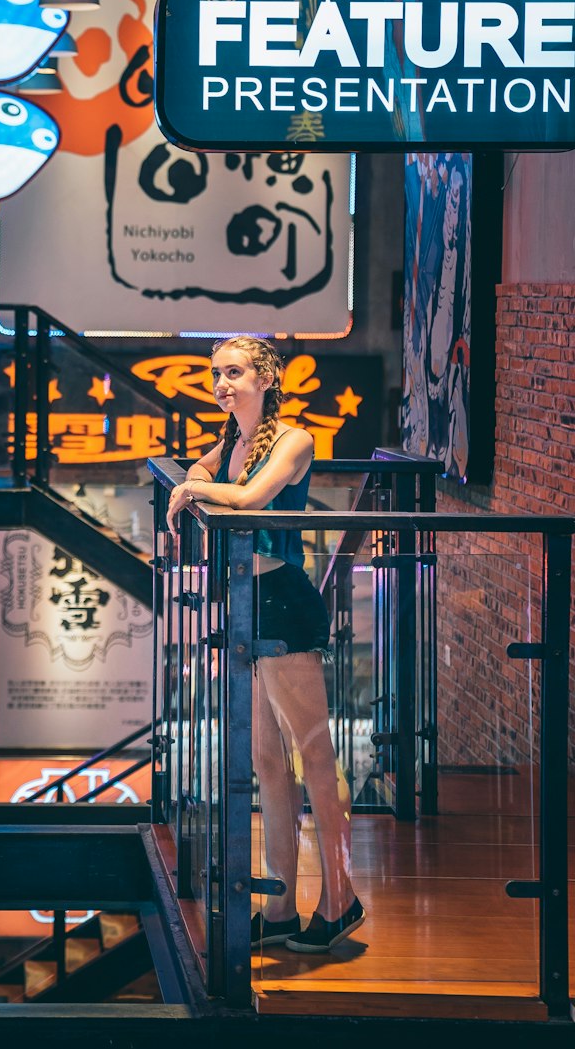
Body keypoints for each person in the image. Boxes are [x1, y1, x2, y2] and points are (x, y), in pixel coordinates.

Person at [166, 335, 363, 955]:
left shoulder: (293, 439)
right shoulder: (232, 439)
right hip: (244, 604)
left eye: (233, 372)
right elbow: (205, 468)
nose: (221, 384)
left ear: (266, 376)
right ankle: (280, 906)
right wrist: (197, 475)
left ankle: (341, 898)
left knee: (316, 760)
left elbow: (250, 500)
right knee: (268, 765)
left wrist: (194, 490)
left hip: (283, 604)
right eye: (215, 374)